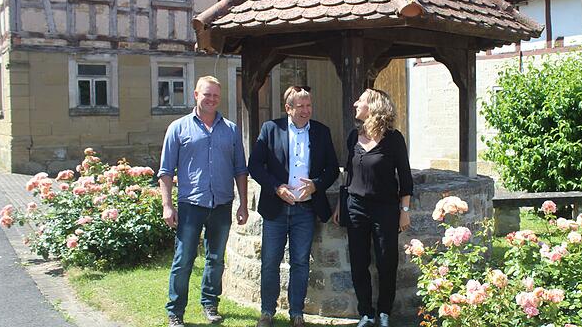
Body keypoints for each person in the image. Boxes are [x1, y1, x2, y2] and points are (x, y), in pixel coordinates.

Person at [157, 76, 249, 327]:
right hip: (190, 205)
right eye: (206, 94)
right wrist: (167, 206)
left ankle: (210, 304)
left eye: (215, 96)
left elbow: (240, 169)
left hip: (221, 204)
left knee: (216, 259)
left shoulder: (230, 129)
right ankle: (175, 311)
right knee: (183, 259)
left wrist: (243, 203)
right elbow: (165, 171)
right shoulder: (178, 128)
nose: (211, 99)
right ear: (195, 95)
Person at [249, 86, 340, 327]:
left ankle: (296, 313)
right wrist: (277, 187)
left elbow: (332, 168)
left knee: (300, 262)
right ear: (288, 108)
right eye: (300, 106)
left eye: (309, 105)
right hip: (275, 208)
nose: (306, 110)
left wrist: (316, 185)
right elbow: (255, 166)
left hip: (306, 209)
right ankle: (267, 312)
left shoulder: (321, 131)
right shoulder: (271, 129)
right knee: (270, 261)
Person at [333, 88, 413, 327]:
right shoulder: (352, 137)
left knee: (387, 261)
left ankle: (385, 312)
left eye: (361, 100)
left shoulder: (394, 139)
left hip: (386, 209)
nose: (355, 103)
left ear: (374, 107)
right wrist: (340, 204)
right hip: (356, 207)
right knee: (358, 262)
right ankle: (366, 313)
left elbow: (406, 178)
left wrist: (404, 211)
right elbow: (347, 175)